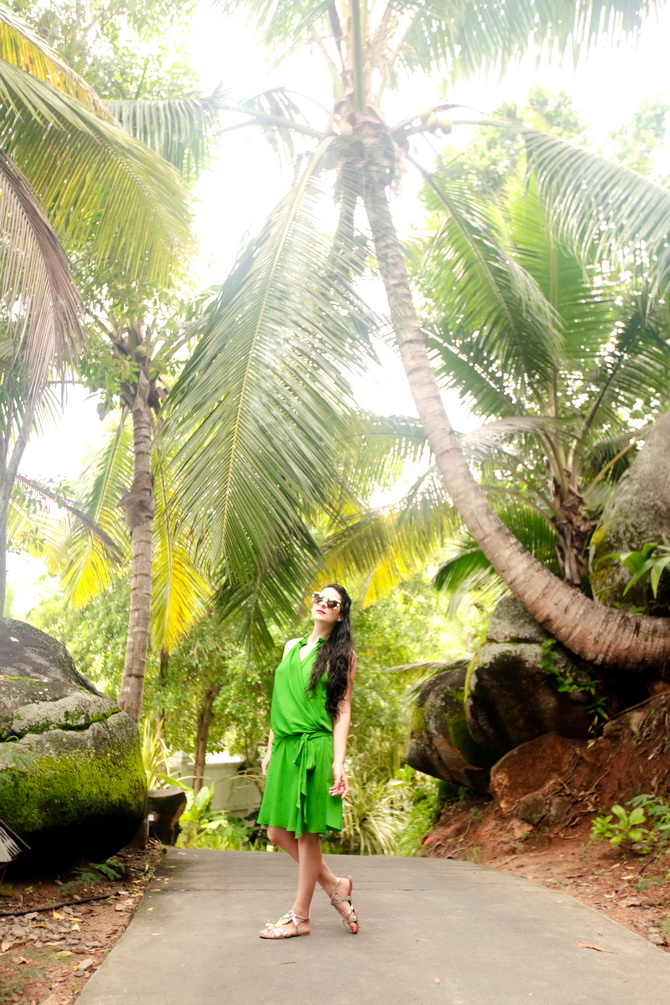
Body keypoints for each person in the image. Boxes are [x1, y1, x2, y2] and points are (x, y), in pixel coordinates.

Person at [257, 583, 359, 939]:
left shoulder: (340, 653)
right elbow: (279, 701)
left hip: (315, 746)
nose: (323, 604)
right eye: (319, 598)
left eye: (332, 603)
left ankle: (300, 917)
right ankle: (335, 886)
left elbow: (342, 710)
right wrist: (270, 747)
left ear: (340, 614)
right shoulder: (292, 647)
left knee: (306, 834)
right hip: (285, 746)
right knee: (275, 831)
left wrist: (338, 761)